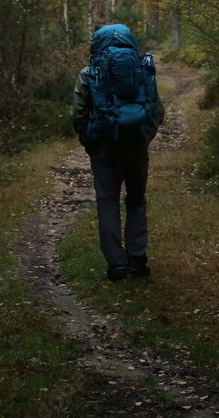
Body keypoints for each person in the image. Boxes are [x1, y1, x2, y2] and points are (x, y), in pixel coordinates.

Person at [71, 23, 165, 282]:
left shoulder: (90, 71)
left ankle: (117, 266)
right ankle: (137, 259)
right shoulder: (141, 68)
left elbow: (77, 113)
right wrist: (145, 137)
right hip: (136, 143)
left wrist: (89, 140)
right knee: (136, 200)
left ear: (97, 43)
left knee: (107, 202)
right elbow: (158, 111)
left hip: (103, 146)